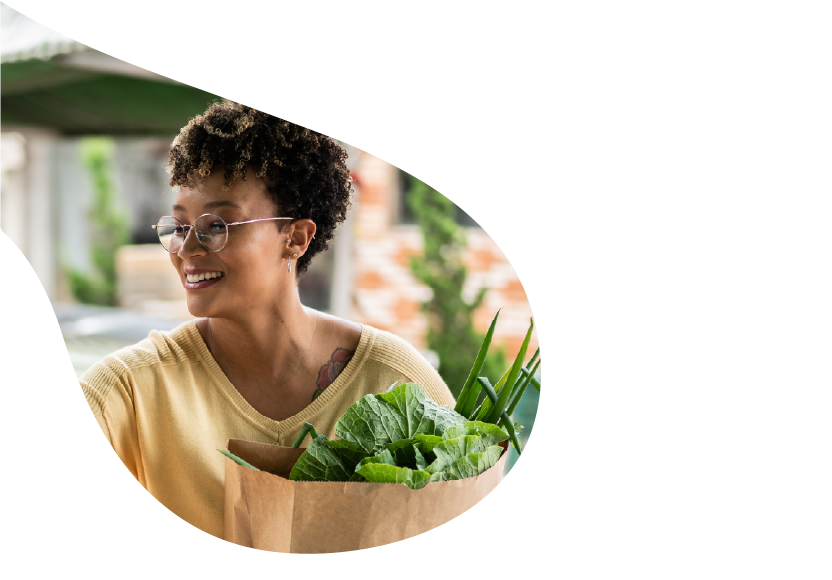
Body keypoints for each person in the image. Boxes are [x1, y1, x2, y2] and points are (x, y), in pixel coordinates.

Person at [79, 99, 455, 540]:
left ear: (295, 237)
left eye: (217, 226)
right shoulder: (130, 391)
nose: (187, 249)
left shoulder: (396, 384)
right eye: (179, 227)